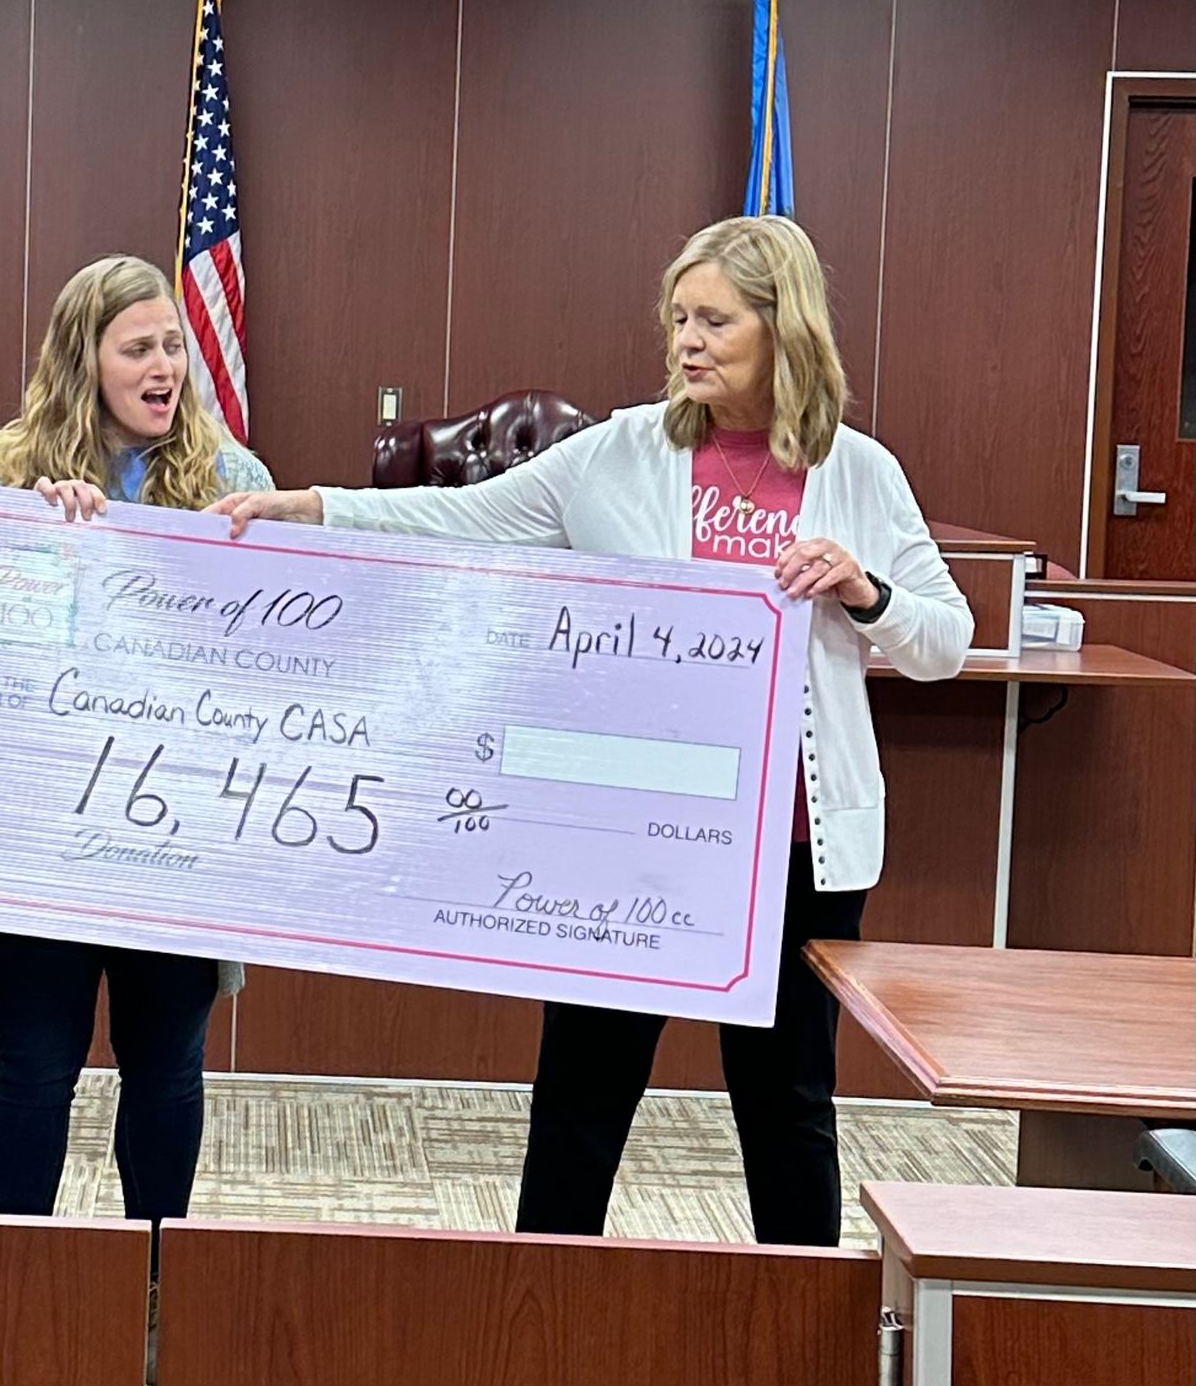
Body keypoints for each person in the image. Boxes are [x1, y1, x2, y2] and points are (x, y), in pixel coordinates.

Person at [212, 216, 972, 1247]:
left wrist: (866, 589)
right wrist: (312, 509)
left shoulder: (859, 471)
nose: (687, 342)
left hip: (795, 845)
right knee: (582, 1090)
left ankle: (803, 1317)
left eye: (714, 320)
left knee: (787, 1098)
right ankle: (547, 1302)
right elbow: (462, 518)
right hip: (628, 839)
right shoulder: (619, 454)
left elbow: (947, 639)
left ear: (781, 326)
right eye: (677, 320)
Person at [0, 254, 272, 1247]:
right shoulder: (6, 469)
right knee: (34, 1060)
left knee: (167, 1062)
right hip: (44, 828)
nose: (165, 365)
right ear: (82, 359)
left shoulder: (232, 477)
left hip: (174, 828)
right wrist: (33, 544)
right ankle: (17, 1272)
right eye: (138, 346)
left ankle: (153, 1266)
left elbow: (271, 656)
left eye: (173, 344)